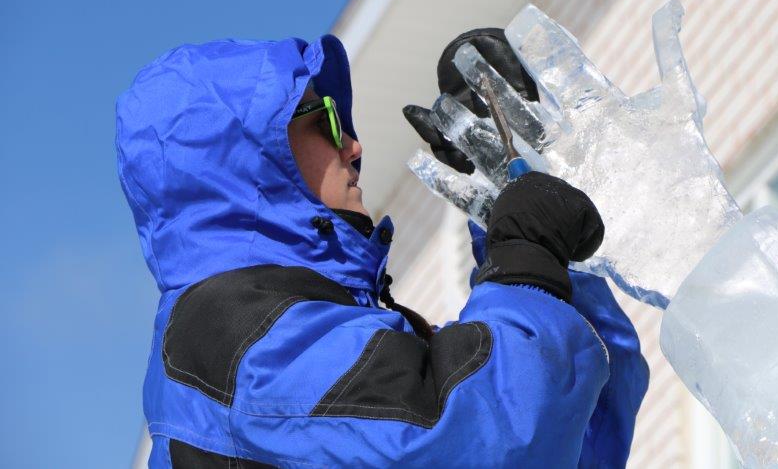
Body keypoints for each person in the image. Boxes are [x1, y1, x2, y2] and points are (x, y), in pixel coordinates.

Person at [116, 33, 648, 468]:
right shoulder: (229, 335)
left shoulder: (316, 328)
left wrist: (535, 245)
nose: (353, 145)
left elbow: (581, 437)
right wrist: (526, 258)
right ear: (241, 159)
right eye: (324, 120)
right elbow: (474, 440)